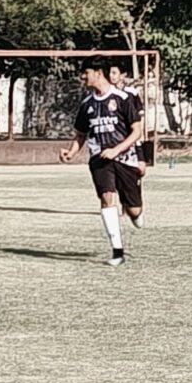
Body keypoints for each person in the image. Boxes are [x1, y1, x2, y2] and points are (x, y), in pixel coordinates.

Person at [60, 57, 144, 267]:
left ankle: (133, 209)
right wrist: (71, 152)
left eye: (86, 72)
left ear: (98, 73)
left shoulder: (123, 98)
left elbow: (137, 131)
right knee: (107, 199)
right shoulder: (86, 104)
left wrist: (116, 150)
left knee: (134, 210)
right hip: (99, 159)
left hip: (126, 159)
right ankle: (117, 251)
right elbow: (81, 135)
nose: (83, 76)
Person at [108, 64, 148, 177]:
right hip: (115, 138)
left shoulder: (131, 93)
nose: (111, 76)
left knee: (139, 169)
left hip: (131, 137)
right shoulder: (107, 94)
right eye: (109, 73)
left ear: (122, 75)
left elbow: (139, 114)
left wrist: (140, 132)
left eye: (114, 73)